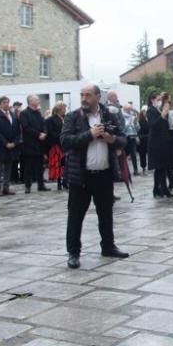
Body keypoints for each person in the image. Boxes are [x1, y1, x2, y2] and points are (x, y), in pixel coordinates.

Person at [61, 83, 129, 269]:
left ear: (98, 97)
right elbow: (66, 142)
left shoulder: (110, 115)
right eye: (82, 95)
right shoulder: (73, 117)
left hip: (104, 175)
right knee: (75, 216)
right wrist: (89, 134)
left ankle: (108, 246)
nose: (84, 98)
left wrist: (112, 140)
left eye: (88, 95)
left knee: (106, 213)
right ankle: (73, 252)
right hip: (80, 176)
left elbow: (123, 139)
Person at [146, 91, 173, 197]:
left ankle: (157, 189)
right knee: (160, 167)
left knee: (161, 167)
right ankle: (163, 189)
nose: (159, 102)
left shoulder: (158, 109)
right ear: (152, 100)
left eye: (160, 100)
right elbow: (153, 125)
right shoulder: (150, 110)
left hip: (162, 141)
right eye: (157, 100)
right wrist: (162, 115)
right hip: (155, 143)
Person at [0, 96, 21, 196]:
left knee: (9, 167)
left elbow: (17, 131)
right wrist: (5, 143)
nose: (7, 104)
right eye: (4, 103)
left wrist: (14, 142)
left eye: (8, 102)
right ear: (0, 104)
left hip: (12, 145)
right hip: (1, 146)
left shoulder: (13, 115)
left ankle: (6, 188)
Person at [19, 95, 49, 193]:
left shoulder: (38, 112)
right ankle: (28, 186)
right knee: (28, 166)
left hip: (39, 143)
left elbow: (43, 123)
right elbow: (26, 127)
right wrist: (38, 134)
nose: (38, 101)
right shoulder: (24, 113)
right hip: (29, 144)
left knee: (40, 165)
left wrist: (44, 132)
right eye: (36, 99)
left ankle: (41, 184)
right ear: (30, 101)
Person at [45, 102, 67, 191]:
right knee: (58, 163)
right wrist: (60, 137)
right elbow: (50, 133)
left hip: (65, 144)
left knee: (66, 164)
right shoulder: (51, 120)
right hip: (56, 144)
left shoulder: (66, 118)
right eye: (64, 108)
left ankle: (65, 181)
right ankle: (59, 182)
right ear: (59, 109)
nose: (65, 110)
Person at [121, 102, 139, 176]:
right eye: (128, 109)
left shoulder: (133, 117)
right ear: (124, 109)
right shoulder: (122, 117)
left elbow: (138, 129)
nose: (130, 111)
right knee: (125, 155)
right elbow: (123, 129)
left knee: (133, 154)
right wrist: (129, 124)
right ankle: (125, 171)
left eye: (130, 109)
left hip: (133, 136)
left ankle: (135, 170)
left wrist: (135, 123)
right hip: (126, 137)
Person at [137, 106, 149, 175]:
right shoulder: (140, 120)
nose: (145, 113)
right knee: (143, 154)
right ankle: (143, 167)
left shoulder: (149, 118)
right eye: (144, 111)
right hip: (142, 138)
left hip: (148, 138)